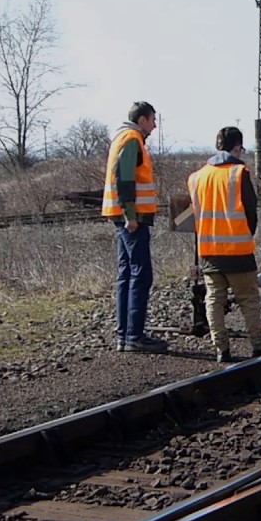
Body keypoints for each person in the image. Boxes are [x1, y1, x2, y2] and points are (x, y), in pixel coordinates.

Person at [187, 127, 261, 363]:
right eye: (241, 149)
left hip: (209, 252)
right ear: (236, 147)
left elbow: (195, 216)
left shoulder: (196, 177)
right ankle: (258, 346)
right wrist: (246, 235)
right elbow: (251, 212)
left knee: (214, 300)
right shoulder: (239, 173)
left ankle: (221, 349)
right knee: (249, 299)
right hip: (238, 251)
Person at [102, 101, 168, 354]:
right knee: (141, 274)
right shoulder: (131, 139)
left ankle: (126, 334)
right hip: (132, 218)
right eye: (153, 120)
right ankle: (134, 336)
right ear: (142, 120)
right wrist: (131, 214)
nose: (154, 125)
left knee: (127, 274)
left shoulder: (122, 137)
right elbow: (125, 178)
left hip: (125, 217)